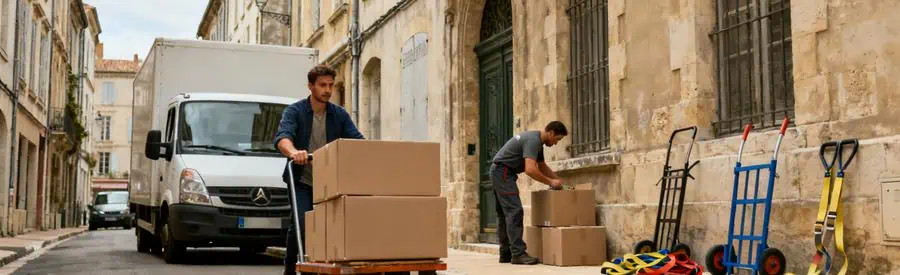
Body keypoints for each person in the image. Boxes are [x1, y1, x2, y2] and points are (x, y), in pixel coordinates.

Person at [274, 65, 364, 275]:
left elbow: (357, 141)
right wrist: (294, 152)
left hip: (330, 181)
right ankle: (291, 268)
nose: (327, 90)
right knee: (303, 224)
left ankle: (318, 268)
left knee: (330, 226)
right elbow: (282, 138)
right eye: (322, 85)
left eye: (331, 85)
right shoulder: (294, 111)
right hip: (302, 179)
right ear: (311, 86)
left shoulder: (338, 114)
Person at [490, 121, 568, 265]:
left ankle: (506, 253)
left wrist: (558, 180)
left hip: (499, 171)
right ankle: (518, 254)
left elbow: (542, 166)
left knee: (504, 213)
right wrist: (551, 182)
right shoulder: (533, 141)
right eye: (557, 139)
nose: (556, 143)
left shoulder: (536, 142)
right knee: (515, 211)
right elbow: (530, 169)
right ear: (550, 133)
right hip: (503, 172)